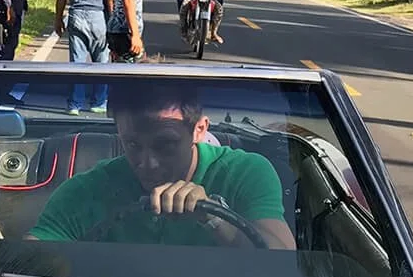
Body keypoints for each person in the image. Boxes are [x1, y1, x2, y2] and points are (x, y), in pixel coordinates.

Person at [28, 84, 295, 249]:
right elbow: (29, 262)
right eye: (132, 144)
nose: (148, 164)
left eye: (165, 145)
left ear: (199, 129)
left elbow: (283, 260)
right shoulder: (87, 190)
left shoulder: (245, 173)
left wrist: (213, 216)